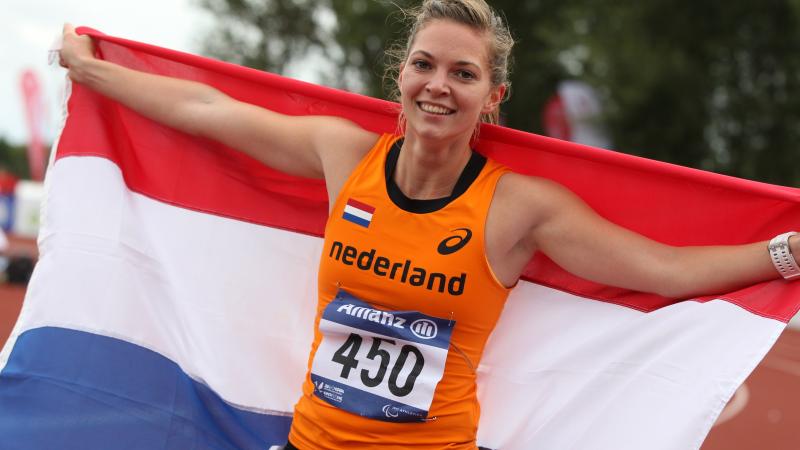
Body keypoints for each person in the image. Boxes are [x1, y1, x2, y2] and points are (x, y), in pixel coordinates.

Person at [59, 0, 798, 448]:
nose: (439, 86)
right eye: (424, 65)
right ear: (401, 77)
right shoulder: (343, 155)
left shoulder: (519, 208)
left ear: (492, 97)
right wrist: (96, 74)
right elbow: (209, 113)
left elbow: (663, 269)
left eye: (464, 73)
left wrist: (786, 253)